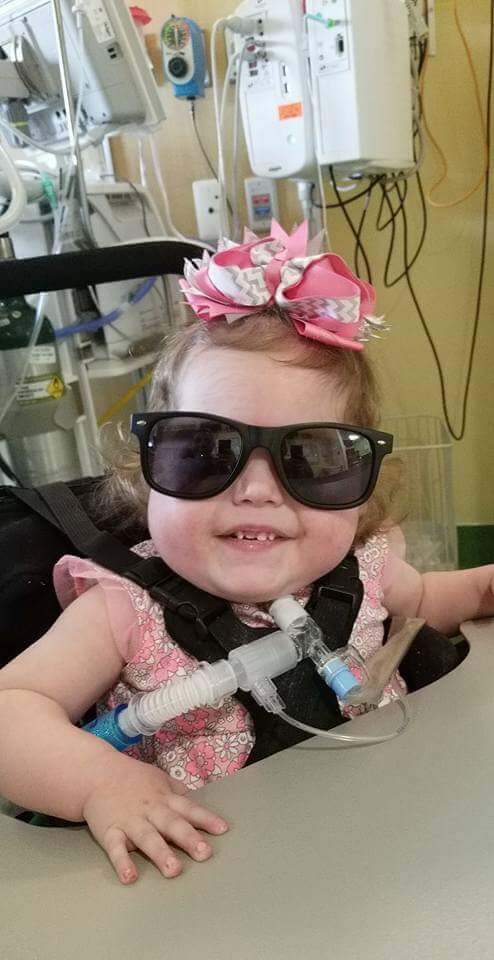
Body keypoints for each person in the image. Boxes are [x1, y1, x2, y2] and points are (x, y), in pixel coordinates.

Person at [0, 221, 493, 885]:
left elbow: (434, 599)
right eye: (205, 451)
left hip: (372, 847)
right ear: (146, 474)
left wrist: (483, 586)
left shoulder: (364, 570)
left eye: (311, 459)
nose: (256, 491)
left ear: (360, 487)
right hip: (210, 881)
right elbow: (12, 708)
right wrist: (97, 782)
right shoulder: (123, 612)